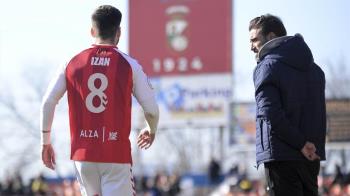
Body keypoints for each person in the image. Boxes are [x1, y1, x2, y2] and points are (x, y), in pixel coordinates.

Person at [40, 5, 159, 196]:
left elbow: (48, 101)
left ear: (92, 31)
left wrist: (45, 142)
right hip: (115, 156)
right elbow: (151, 110)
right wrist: (151, 129)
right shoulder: (130, 65)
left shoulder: (71, 62)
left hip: (82, 155)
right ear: (119, 32)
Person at [249, 14, 326, 196]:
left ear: (271, 37)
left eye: (254, 40)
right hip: (311, 157)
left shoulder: (266, 67)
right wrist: (309, 146)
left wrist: (300, 143)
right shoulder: (315, 71)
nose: (251, 47)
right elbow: (319, 116)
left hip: (281, 158)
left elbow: (270, 114)